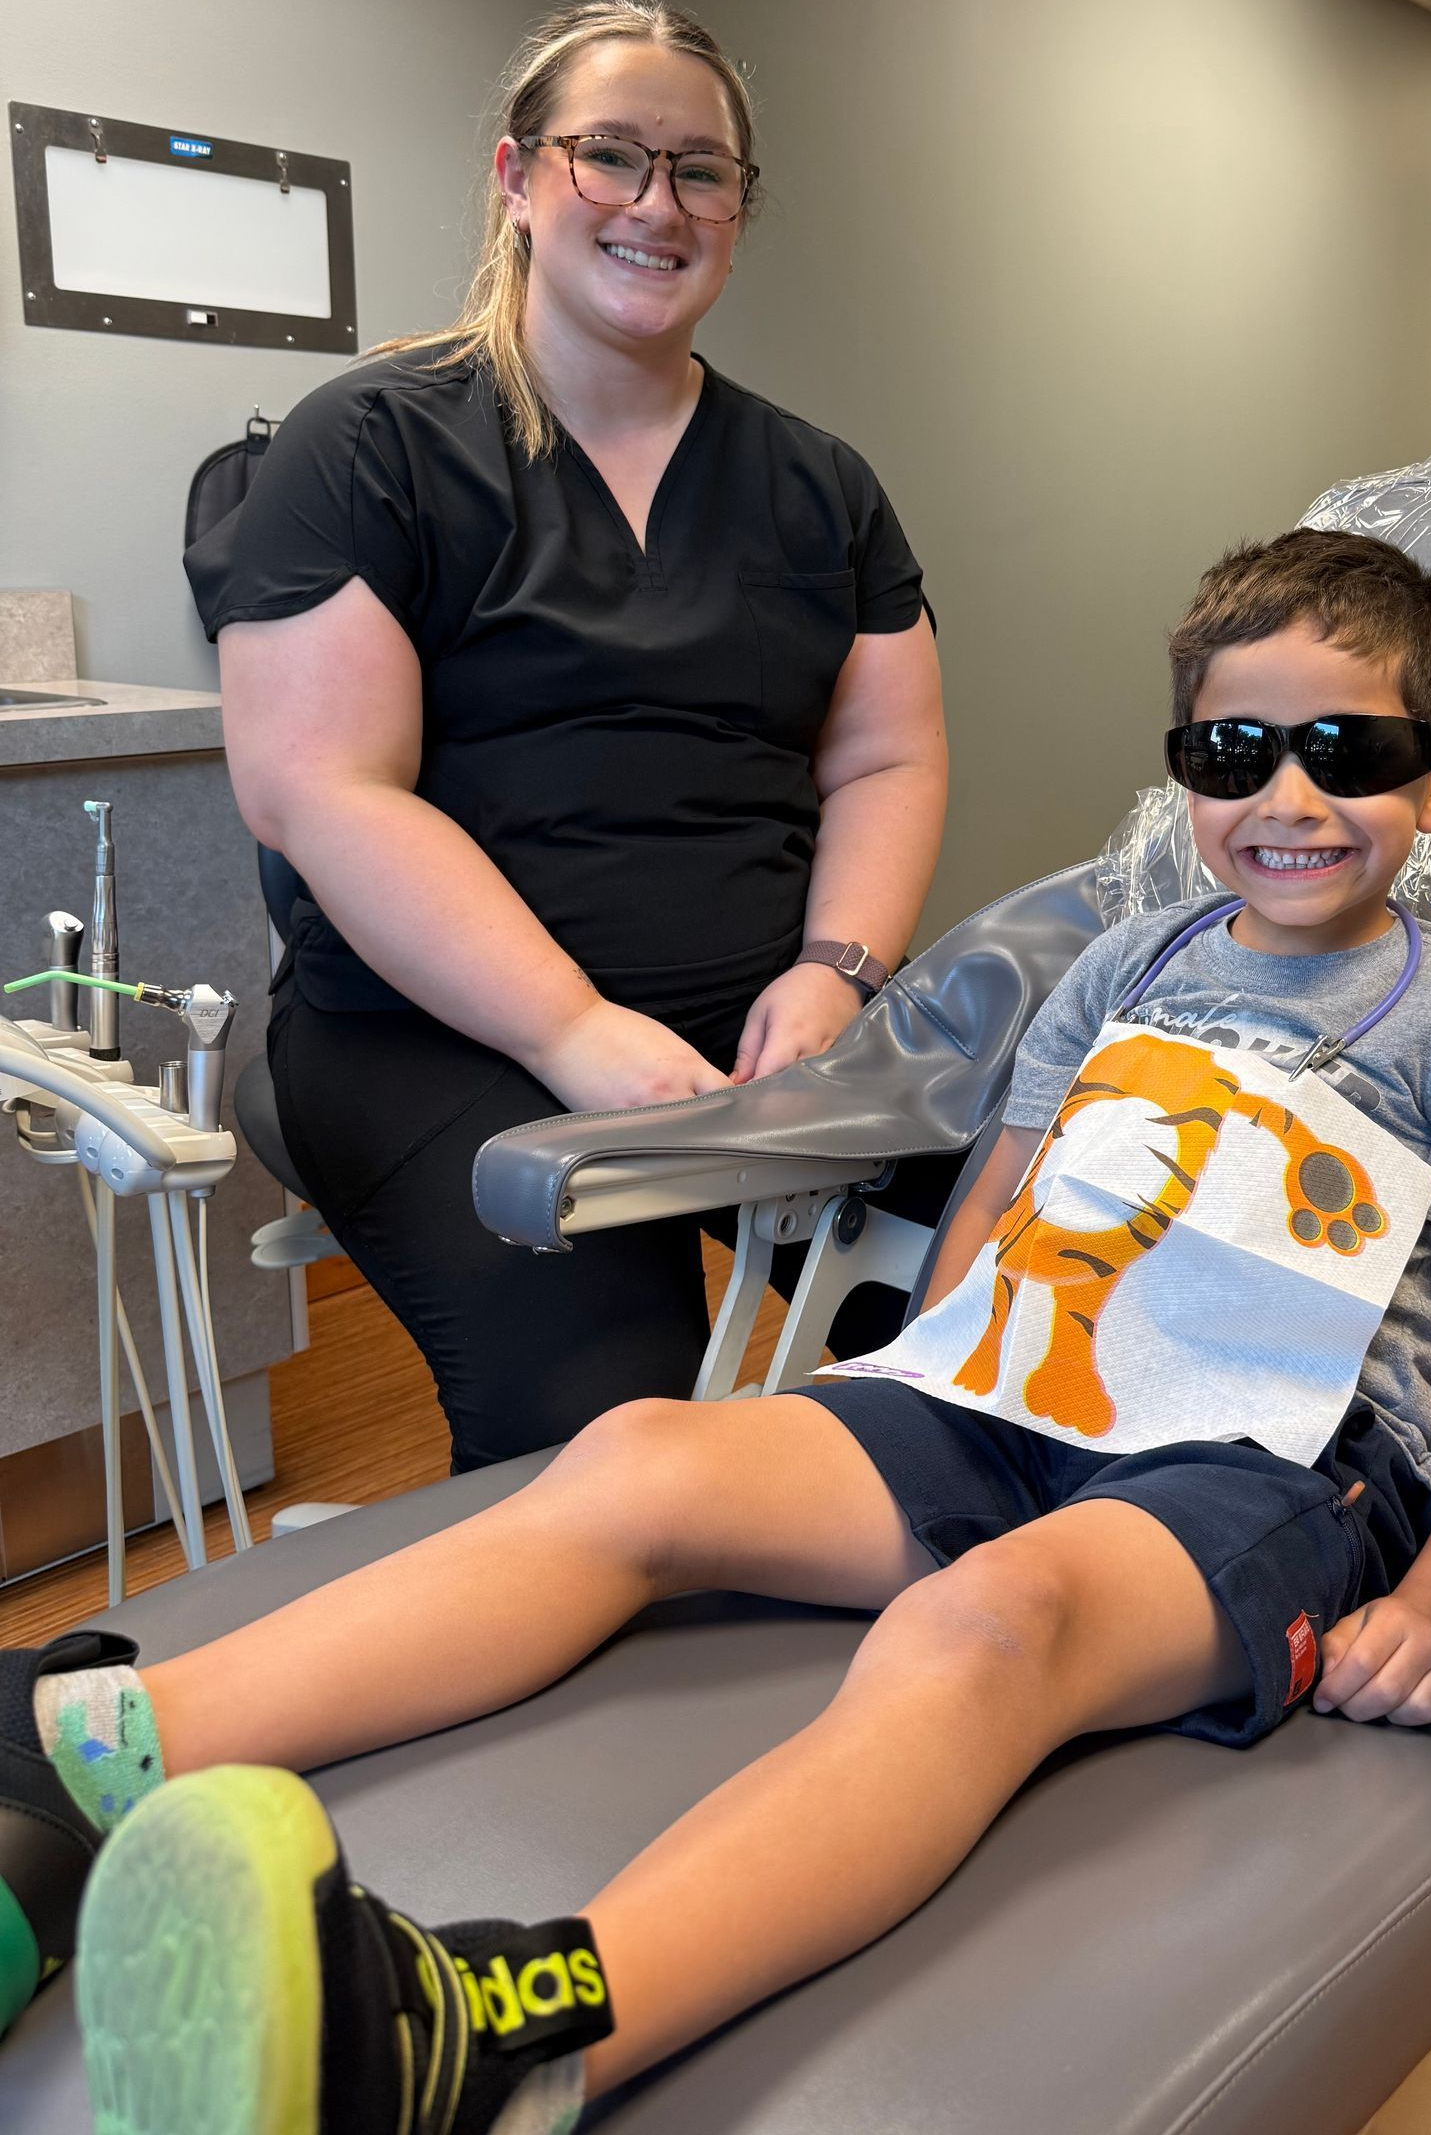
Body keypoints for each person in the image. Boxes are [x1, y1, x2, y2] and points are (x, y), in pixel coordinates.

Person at [0, 531, 1431, 2133]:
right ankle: (83, 1747)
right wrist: (912, 1367)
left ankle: (507, 2039)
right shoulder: (1131, 963)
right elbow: (1004, 1200)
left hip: (1263, 1462)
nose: (1291, 797)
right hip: (1013, 1389)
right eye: (1235, 753)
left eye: (1350, 752)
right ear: (1186, 771)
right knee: (638, 1458)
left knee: (988, 1623)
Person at [187, 2, 948, 1469]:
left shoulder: (821, 484)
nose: (657, 204)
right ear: (520, 178)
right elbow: (322, 790)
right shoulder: (371, 446)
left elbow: (885, 758)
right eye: (611, 156)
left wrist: (835, 970)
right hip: (439, 1035)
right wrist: (570, 1029)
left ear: (737, 210)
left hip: (779, 1020)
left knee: (1026, 1300)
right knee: (610, 1423)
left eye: (700, 170)